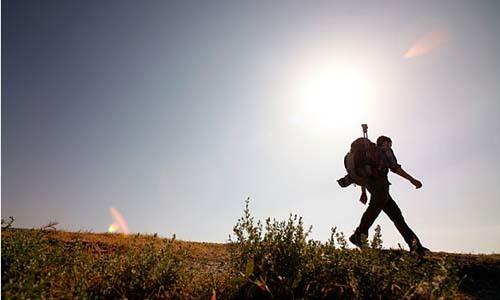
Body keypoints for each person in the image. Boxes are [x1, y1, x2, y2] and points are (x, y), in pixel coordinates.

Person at [349, 135, 429, 255]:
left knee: (396, 215)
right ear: (386, 142)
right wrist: (412, 180)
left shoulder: (368, 156)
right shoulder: (385, 150)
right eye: (390, 144)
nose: (390, 146)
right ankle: (358, 236)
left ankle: (415, 245)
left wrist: (364, 192)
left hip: (372, 186)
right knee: (373, 211)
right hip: (381, 186)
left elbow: (364, 174)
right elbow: (395, 168)